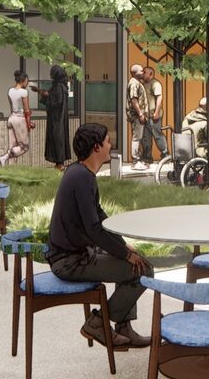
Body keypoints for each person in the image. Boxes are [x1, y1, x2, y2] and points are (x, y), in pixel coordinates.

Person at [47, 123, 151, 349]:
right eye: (107, 141)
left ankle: (124, 329)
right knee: (143, 269)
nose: (110, 144)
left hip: (76, 254)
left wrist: (125, 248)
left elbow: (99, 217)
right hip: (70, 262)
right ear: (96, 147)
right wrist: (125, 255)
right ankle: (98, 323)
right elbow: (94, 229)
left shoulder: (80, 173)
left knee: (135, 261)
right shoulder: (82, 178)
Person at [0, 69, 33, 166]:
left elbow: (11, 108)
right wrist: (29, 123)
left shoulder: (10, 91)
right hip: (20, 119)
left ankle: (11, 168)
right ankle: (5, 157)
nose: (27, 82)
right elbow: (26, 111)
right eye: (27, 80)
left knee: (12, 146)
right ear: (23, 80)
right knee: (24, 147)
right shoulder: (24, 92)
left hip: (11, 118)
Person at [43, 64, 71, 170]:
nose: (50, 74)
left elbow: (57, 102)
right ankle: (59, 163)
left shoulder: (59, 87)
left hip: (57, 119)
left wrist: (47, 96)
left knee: (58, 139)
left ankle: (60, 163)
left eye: (52, 72)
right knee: (58, 139)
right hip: (58, 119)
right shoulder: (59, 86)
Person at [139, 65, 168, 164]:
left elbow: (159, 98)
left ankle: (165, 155)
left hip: (153, 114)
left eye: (145, 72)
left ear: (151, 74)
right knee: (145, 137)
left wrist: (156, 112)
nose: (143, 74)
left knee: (157, 135)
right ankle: (147, 157)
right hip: (146, 115)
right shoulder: (143, 84)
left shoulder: (155, 83)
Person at [125, 64, 149, 169]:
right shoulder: (134, 83)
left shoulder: (136, 82)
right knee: (136, 137)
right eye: (141, 71)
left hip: (138, 115)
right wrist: (140, 114)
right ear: (135, 73)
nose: (143, 72)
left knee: (138, 137)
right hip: (136, 115)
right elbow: (134, 100)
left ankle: (138, 159)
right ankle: (135, 161)